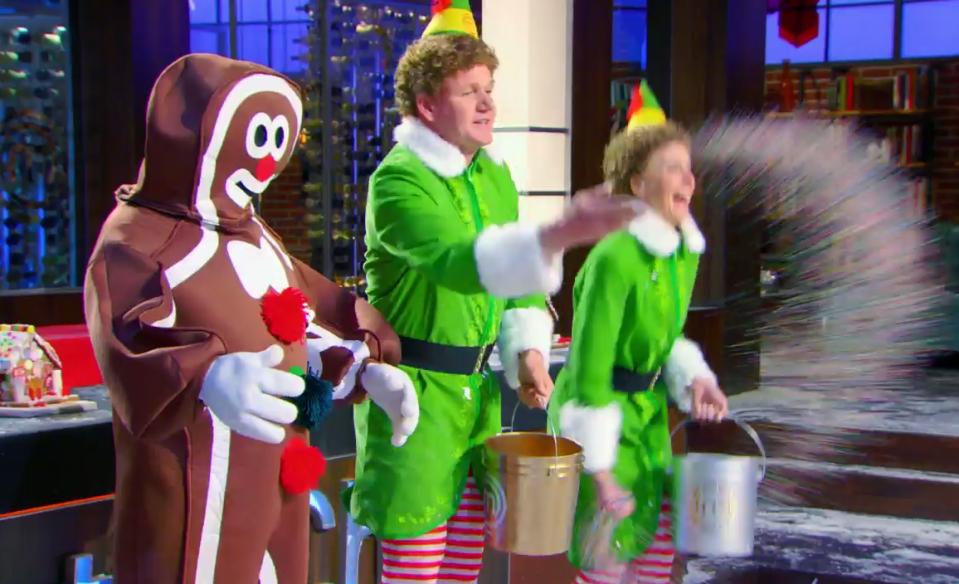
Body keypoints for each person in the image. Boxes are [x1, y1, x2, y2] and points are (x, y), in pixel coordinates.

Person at [84, 54, 418, 584]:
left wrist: (365, 364)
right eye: (253, 139)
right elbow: (128, 331)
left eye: (276, 144)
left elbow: (308, 314)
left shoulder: (256, 235)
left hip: (278, 484)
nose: (266, 166)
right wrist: (204, 375)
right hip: (194, 494)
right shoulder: (139, 238)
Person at [350, 2, 641, 582]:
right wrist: (560, 232)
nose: (488, 103)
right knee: (415, 571)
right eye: (469, 92)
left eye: (489, 88)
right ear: (427, 105)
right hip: (417, 408)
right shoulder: (398, 180)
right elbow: (459, 263)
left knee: (463, 571)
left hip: (481, 407)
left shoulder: (493, 175)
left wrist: (528, 351)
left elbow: (517, 290)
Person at [550, 81, 729, 584]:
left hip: (649, 426)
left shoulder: (680, 253)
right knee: (608, 563)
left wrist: (696, 378)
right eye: (670, 167)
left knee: (654, 555)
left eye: (687, 167)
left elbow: (665, 339)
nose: (686, 179)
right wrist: (601, 471)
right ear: (635, 184)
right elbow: (587, 370)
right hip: (602, 427)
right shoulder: (614, 258)